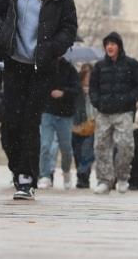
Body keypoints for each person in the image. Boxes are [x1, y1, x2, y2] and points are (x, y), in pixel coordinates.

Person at [0, 0, 77, 201]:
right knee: (10, 124)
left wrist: (53, 48)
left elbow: (70, 28)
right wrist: (1, 32)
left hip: (41, 67)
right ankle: (17, 169)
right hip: (14, 63)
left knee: (29, 122)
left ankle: (27, 178)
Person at [89, 32, 138, 195]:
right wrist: (97, 102)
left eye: (113, 44)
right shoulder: (99, 67)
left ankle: (122, 177)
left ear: (119, 46)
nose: (110, 47)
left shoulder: (131, 65)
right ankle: (104, 181)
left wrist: (130, 99)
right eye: (107, 44)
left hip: (123, 113)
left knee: (125, 146)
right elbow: (92, 88)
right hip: (104, 113)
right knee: (100, 146)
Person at [37, 57, 79, 190]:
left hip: (65, 115)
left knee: (66, 149)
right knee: (45, 145)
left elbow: (76, 90)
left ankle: (66, 171)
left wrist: (63, 93)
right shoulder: (45, 67)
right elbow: (39, 86)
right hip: (47, 112)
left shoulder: (70, 69)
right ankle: (45, 175)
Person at [71, 63, 95, 189]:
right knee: (77, 152)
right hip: (76, 124)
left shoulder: (96, 90)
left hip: (91, 125)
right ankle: (81, 176)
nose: (88, 77)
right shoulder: (76, 89)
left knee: (87, 152)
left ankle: (83, 175)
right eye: (86, 74)